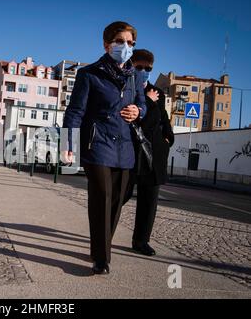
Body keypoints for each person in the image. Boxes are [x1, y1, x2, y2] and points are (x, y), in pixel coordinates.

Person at [62, 21, 146, 275]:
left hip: (125, 148)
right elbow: (75, 111)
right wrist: (69, 143)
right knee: (101, 198)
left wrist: (138, 110)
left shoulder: (135, 77)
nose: (126, 47)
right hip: (97, 144)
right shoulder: (89, 74)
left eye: (130, 43)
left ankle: (100, 246)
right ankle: (101, 258)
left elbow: (142, 104)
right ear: (107, 44)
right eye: (120, 41)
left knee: (117, 201)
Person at [124, 49, 175, 256]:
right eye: (140, 67)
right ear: (131, 65)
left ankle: (141, 240)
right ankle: (104, 233)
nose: (144, 71)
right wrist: (148, 101)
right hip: (131, 152)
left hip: (154, 154)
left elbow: (161, 120)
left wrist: (168, 139)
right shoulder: (126, 88)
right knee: (121, 194)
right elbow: (139, 121)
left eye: (148, 68)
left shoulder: (158, 93)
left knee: (149, 200)